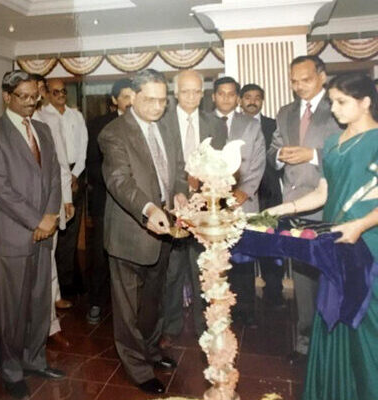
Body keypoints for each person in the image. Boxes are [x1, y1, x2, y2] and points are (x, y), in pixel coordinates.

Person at [267, 72, 378, 400]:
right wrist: (282, 209)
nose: (334, 109)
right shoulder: (332, 143)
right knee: (333, 315)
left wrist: (361, 225)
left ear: (366, 102)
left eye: (342, 102)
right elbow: (322, 193)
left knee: (366, 321)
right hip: (336, 243)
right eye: (332, 102)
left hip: (368, 242)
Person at [99, 69, 189, 395]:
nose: (156, 107)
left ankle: (151, 350)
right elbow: (120, 181)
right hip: (131, 231)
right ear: (132, 96)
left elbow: (177, 169)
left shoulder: (166, 126)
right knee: (128, 309)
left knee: (154, 301)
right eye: (149, 100)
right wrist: (149, 209)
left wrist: (178, 192)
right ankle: (137, 368)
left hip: (164, 230)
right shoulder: (113, 133)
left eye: (163, 100)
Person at [0, 71, 64, 399]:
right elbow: (0, 188)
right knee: (11, 308)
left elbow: (54, 175)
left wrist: (51, 215)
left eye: (34, 96)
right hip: (15, 234)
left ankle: (34, 359)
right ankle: (12, 370)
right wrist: (37, 221)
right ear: (6, 96)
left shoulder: (42, 129)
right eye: (23, 97)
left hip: (44, 231)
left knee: (39, 301)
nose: (30, 103)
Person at [267, 55, 342, 363]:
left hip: (332, 206)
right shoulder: (285, 112)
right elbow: (273, 152)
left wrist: (312, 155)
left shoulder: (338, 107)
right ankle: (305, 343)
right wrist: (280, 155)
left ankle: (333, 345)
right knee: (302, 280)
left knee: (332, 278)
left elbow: (348, 152)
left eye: (305, 80)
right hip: (295, 208)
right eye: (293, 80)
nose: (298, 86)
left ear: (322, 76)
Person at [160, 69, 227, 346]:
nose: (190, 96)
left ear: (203, 93)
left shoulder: (215, 124)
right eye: (185, 91)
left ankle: (205, 327)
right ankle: (171, 326)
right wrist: (177, 189)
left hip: (203, 208)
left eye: (196, 91)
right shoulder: (161, 122)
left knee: (202, 269)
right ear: (176, 93)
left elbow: (222, 167)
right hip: (170, 206)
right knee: (172, 270)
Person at [213, 76, 266, 326]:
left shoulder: (250, 125)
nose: (226, 98)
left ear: (237, 98)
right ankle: (214, 310)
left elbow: (258, 161)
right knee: (213, 260)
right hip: (211, 202)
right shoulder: (204, 122)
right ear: (213, 96)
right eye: (221, 93)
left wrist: (245, 190)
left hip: (242, 200)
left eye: (231, 94)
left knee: (242, 259)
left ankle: (245, 310)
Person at [85, 78, 133, 324]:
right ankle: (95, 302)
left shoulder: (146, 125)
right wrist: (117, 182)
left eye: (133, 95)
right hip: (106, 199)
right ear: (115, 100)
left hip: (138, 204)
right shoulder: (99, 125)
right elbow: (91, 165)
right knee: (100, 256)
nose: (130, 101)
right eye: (125, 97)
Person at [32, 74, 73, 347]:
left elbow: (60, 167)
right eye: (26, 91)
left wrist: (65, 200)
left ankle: (50, 326)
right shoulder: (3, 128)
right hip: (20, 214)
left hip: (49, 208)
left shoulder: (49, 123)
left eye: (37, 90)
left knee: (47, 264)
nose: (33, 95)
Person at [240, 83, 285, 308]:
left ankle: (274, 295)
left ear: (263, 101)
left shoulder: (273, 125)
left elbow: (280, 162)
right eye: (247, 97)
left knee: (271, 247)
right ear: (240, 100)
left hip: (269, 196)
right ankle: (244, 303)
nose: (252, 101)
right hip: (242, 197)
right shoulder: (233, 125)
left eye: (257, 97)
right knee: (242, 249)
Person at [44, 78, 88, 297]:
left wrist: (74, 174)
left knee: (71, 231)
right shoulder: (41, 116)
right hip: (52, 177)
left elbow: (83, 148)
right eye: (55, 92)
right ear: (47, 94)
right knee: (56, 232)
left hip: (75, 174)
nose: (60, 95)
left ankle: (69, 283)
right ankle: (57, 286)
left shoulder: (76, 115)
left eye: (63, 91)